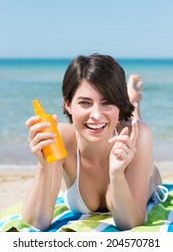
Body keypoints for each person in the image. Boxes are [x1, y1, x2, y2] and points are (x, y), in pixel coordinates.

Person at [22, 54, 164, 231]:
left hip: (148, 172)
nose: (96, 114)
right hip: (110, 122)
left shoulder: (139, 134)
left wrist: (117, 175)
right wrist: (43, 166)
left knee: (136, 126)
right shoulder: (60, 138)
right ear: (67, 104)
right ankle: (129, 99)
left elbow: (130, 223)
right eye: (85, 102)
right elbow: (35, 223)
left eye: (107, 102)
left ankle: (131, 101)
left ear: (118, 105)